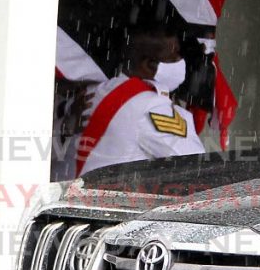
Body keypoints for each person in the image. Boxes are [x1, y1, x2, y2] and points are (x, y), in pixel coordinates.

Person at [75, 25, 205, 176]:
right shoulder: (153, 106)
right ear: (149, 64)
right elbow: (195, 167)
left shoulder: (96, 91)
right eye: (174, 58)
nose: (181, 63)